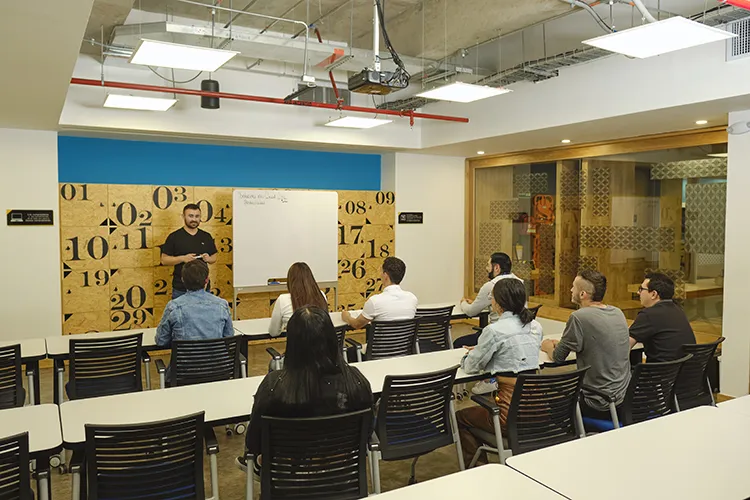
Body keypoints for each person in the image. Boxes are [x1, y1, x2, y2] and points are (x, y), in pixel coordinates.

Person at [236, 306, 374, 475]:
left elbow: (254, 442)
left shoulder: (274, 386)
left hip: (285, 481)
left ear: (292, 343)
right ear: (332, 338)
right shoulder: (356, 382)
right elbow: (367, 434)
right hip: (341, 477)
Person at [455, 278, 543, 466]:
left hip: (508, 413)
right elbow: (517, 357)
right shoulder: (536, 327)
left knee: (461, 417)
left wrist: (472, 354)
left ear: (499, 303)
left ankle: (479, 470)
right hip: (538, 408)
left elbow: (470, 367)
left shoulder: (494, 330)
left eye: (492, 298)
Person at [541, 270, 631, 421]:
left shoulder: (579, 317)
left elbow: (558, 357)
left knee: (549, 400)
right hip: (624, 398)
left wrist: (546, 345)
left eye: (573, 287)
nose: (570, 290)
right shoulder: (617, 312)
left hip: (599, 402)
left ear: (583, 294)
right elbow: (595, 342)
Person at [155, 260, 234, 382]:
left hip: (183, 374)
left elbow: (161, 341)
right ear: (206, 280)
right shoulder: (222, 305)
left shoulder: (173, 307)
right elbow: (229, 337)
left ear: (183, 280)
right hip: (218, 372)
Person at [454, 252, 522, 349]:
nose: (486, 268)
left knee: (459, 342)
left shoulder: (492, 285)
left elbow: (471, 312)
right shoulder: (519, 282)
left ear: (496, 268)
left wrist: (463, 303)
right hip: (517, 333)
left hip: (498, 333)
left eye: (488, 265)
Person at [629, 273, 696, 362]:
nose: (638, 292)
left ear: (654, 294)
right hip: (683, 373)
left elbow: (623, 347)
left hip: (658, 374)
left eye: (641, 289)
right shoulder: (678, 310)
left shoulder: (649, 315)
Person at [341, 256, 417, 329]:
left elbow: (357, 324)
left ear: (386, 276)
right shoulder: (412, 299)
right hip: (404, 342)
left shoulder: (375, 302)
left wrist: (347, 317)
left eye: (381, 271)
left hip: (383, 342)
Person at [160, 203, 218, 299]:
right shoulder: (174, 237)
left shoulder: (206, 236)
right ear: (183, 216)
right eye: (190, 216)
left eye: (197, 216)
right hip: (180, 289)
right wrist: (182, 258)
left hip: (203, 289)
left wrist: (208, 258)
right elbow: (164, 260)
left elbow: (214, 257)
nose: (194, 219)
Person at [269, 262, 328, 338]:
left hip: (295, 349)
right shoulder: (321, 295)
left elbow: (274, 332)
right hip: (323, 349)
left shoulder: (282, 300)